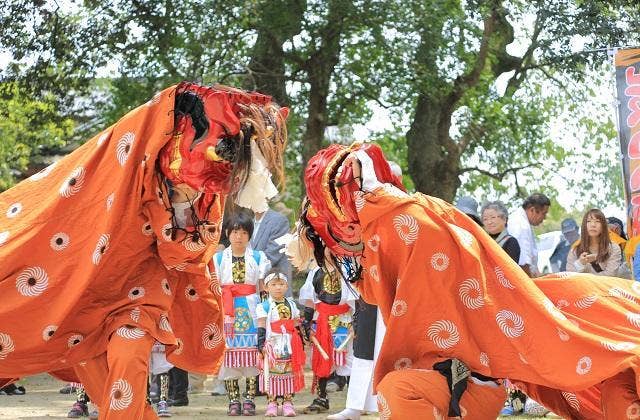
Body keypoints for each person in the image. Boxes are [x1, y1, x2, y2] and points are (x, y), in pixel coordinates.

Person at [0, 83, 288, 419]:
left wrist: (181, 209)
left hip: (143, 293)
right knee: (110, 387)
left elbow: (186, 254)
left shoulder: (208, 194)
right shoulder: (128, 160)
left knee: (127, 354)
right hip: (86, 294)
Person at [293, 142, 640, 419]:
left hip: (476, 379)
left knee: (397, 391)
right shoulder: (418, 218)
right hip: (472, 375)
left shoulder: (411, 224)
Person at [213, 211, 271, 416]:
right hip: (227, 310)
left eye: (244, 232)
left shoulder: (258, 257)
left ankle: (249, 399)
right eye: (235, 232)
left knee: (251, 356)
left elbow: (263, 288)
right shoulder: (218, 258)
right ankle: (233, 400)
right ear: (228, 233)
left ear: (250, 235)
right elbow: (213, 288)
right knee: (229, 357)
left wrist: (266, 316)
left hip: (251, 308)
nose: (239, 236)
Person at [299, 260, 357, 414]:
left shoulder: (348, 268)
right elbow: (310, 299)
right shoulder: (315, 270)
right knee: (321, 357)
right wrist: (307, 321)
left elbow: (356, 296)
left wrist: (356, 320)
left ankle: (355, 401)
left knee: (349, 358)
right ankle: (321, 398)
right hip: (322, 318)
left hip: (344, 318)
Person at [256, 271, 305, 417]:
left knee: (289, 372)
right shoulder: (264, 306)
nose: (278, 287)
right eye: (274, 284)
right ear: (266, 287)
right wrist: (260, 344)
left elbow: (296, 324)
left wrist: (301, 340)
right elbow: (261, 325)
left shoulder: (291, 304)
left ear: (287, 285)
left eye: (281, 284)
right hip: (272, 343)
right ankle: (272, 402)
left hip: (290, 342)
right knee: (271, 372)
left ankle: (288, 402)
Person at [251, 203, 294, 298]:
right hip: (255, 293)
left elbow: (270, 257)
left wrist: (242, 264)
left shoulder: (279, 221)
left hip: (276, 291)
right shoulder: (250, 223)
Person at [566, 209, 623, 276]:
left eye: (597, 221)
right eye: (589, 221)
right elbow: (570, 277)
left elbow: (610, 276)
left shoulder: (614, 248)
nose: (593, 225)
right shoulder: (575, 251)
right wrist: (580, 263)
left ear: (604, 226)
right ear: (584, 226)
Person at [507, 193, 551, 276]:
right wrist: (531, 283)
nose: (544, 218)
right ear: (532, 210)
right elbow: (523, 263)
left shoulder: (523, 221)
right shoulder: (520, 224)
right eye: (544, 213)